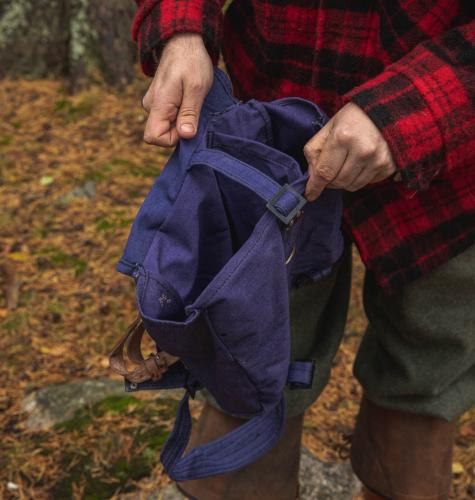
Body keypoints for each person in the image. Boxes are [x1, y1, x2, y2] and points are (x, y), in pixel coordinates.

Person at [132, 1, 475, 499]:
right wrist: (181, 31)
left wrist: (411, 109)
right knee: (242, 364)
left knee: (423, 387)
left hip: (452, 165)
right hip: (269, 139)